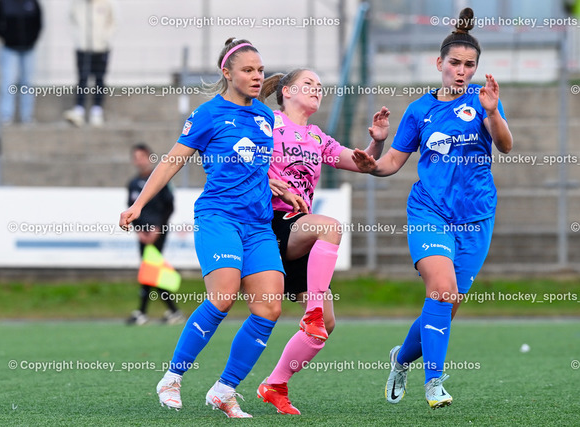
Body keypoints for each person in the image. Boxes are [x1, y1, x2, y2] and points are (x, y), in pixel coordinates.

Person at [119, 38, 305, 419]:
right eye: (248, 70)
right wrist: (138, 204)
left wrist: (276, 184)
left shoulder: (266, 117)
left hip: (257, 225)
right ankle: (172, 378)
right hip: (219, 218)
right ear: (227, 73)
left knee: (269, 307)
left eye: (259, 70)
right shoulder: (207, 114)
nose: (257, 77)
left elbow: (251, 163)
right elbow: (171, 162)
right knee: (223, 296)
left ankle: (224, 389)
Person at [353, 8, 512, 410]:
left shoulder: (484, 102)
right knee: (441, 291)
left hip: (476, 217)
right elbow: (391, 163)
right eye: (454, 63)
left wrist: (493, 113)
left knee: (448, 302)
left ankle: (401, 358)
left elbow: (506, 146)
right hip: (429, 212)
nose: (461, 71)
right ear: (438, 64)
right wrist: (373, 159)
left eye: (469, 65)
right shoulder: (419, 111)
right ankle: (435, 384)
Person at [255, 68, 390, 414]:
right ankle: (311, 310)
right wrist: (264, 180)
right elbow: (236, 154)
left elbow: (362, 164)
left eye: (320, 86)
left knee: (325, 327)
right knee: (329, 227)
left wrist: (375, 142)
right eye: (308, 85)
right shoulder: (266, 121)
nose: (317, 90)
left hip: (299, 230)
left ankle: (275, 384)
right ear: (286, 91)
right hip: (269, 223)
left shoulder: (317, 137)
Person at [126, 143, 184, 326]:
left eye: (142, 156)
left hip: (158, 232)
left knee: (150, 269)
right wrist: (138, 230)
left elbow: (169, 207)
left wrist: (158, 228)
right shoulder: (133, 184)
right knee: (150, 270)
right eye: (136, 157)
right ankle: (171, 311)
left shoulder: (159, 181)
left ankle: (145, 312)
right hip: (142, 234)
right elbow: (131, 208)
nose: (139, 161)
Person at [63, 0, 117, 127]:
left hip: (101, 48)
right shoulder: (76, 4)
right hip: (83, 48)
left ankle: (97, 111)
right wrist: (78, 39)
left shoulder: (107, 3)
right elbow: (70, 21)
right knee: (82, 78)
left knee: (99, 79)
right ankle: (79, 110)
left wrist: (105, 38)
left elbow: (114, 21)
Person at [0, 0, 42, 125]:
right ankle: (6, 116)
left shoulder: (32, 2)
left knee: (27, 83)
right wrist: (7, 37)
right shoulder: (4, 2)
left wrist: (32, 39)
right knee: (8, 82)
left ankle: (27, 117)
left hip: (28, 49)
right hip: (9, 49)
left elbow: (39, 23)